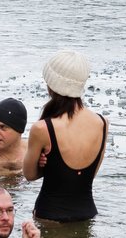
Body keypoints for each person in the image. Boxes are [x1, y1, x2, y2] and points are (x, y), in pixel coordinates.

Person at [23, 50, 108, 222]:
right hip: (87, 215)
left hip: (49, 217)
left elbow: (29, 175)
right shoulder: (102, 123)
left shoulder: (42, 128)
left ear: (51, 84)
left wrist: (44, 166)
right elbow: (89, 175)